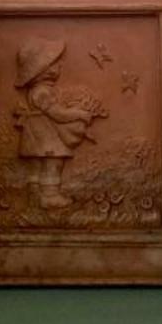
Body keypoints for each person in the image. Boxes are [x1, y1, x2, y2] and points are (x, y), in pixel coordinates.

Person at [12, 38, 106, 211]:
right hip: (45, 136)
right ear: (42, 70)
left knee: (38, 166)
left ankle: (35, 195)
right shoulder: (41, 93)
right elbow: (58, 114)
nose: (60, 66)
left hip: (39, 135)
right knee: (52, 164)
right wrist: (80, 114)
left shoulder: (42, 91)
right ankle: (50, 196)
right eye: (54, 63)